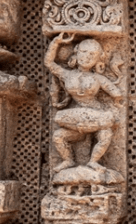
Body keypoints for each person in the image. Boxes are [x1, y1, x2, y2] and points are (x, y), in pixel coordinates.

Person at [45, 33, 123, 173]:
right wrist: (56, 42)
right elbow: (49, 63)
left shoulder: (97, 78)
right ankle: (68, 160)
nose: (86, 57)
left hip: (96, 116)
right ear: (76, 52)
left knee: (106, 135)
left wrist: (117, 99)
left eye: (92, 55)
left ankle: (93, 161)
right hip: (76, 119)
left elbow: (116, 93)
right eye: (84, 52)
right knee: (58, 135)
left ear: (98, 59)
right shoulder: (67, 74)